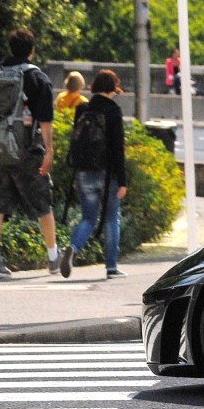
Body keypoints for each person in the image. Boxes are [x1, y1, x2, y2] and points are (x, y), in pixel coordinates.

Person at [0, 28, 61, 279]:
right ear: (32, 50)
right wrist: (49, 150)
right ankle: (53, 257)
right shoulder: (37, 78)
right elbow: (46, 119)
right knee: (42, 203)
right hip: (28, 149)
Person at [59, 69, 127, 280]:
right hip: (108, 175)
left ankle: (73, 248)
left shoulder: (82, 108)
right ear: (112, 88)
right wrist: (123, 180)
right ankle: (111, 266)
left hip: (84, 172)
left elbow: (77, 142)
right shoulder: (113, 111)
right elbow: (118, 149)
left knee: (88, 217)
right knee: (111, 218)